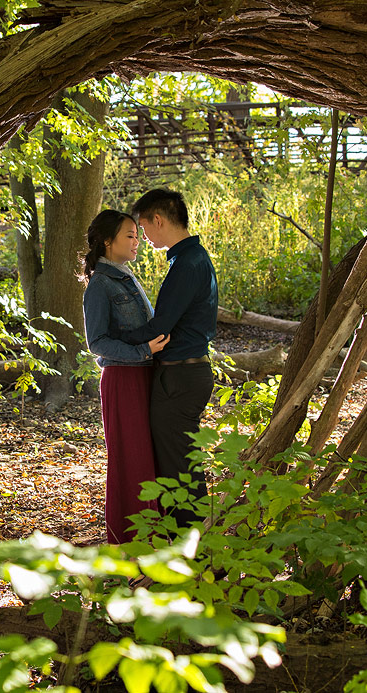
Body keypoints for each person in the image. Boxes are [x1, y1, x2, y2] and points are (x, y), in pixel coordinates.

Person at [110, 189, 217, 530]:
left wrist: (114, 340)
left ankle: (193, 555)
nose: (141, 236)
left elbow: (161, 326)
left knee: (178, 468)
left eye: (142, 226)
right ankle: (191, 551)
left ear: (158, 220)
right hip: (185, 374)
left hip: (181, 378)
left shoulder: (188, 262)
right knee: (180, 462)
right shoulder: (189, 258)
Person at [81, 209, 169, 544]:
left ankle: (154, 539)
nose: (137, 242)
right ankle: (130, 542)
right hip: (123, 380)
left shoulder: (126, 276)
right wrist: (143, 351)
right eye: (129, 236)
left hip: (144, 377)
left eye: (137, 235)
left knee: (146, 460)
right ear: (107, 241)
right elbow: (97, 342)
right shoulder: (100, 285)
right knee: (131, 460)